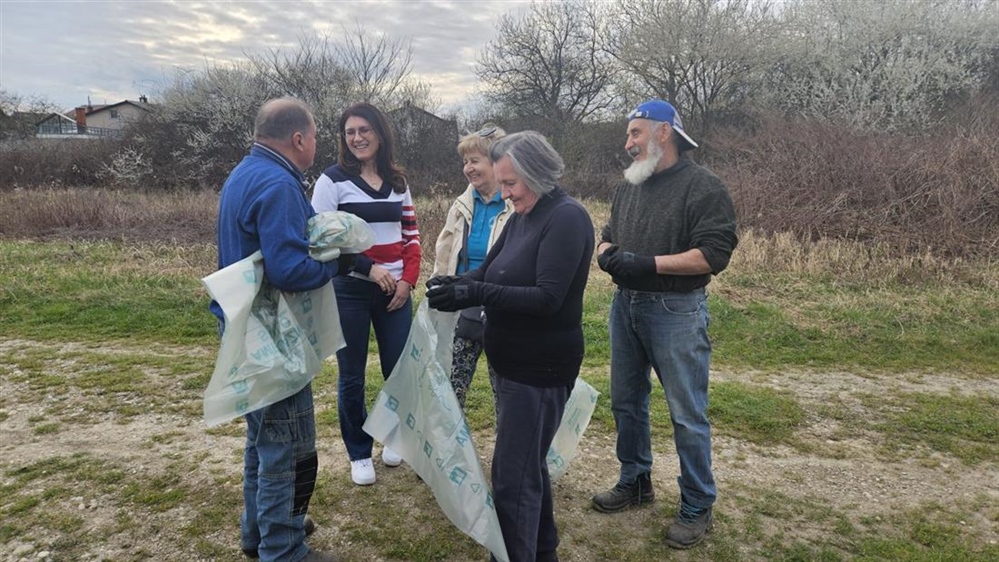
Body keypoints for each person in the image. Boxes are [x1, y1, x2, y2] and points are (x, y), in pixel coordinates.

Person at [426, 131, 594, 562]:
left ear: (537, 175)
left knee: (512, 479)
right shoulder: (523, 214)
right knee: (527, 470)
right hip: (511, 362)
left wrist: (473, 295)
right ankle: (542, 551)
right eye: (502, 184)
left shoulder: (566, 218)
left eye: (510, 184)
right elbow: (490, 269)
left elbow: (547, 298)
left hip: (539, 368)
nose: (504, 193)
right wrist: (457, 283)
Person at [591, 99, 738, 550]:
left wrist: (647, 263)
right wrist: (608, 254)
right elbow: (609, 234)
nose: (628, 142)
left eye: (635, 132)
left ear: (663, 134)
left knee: (686, 412)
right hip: (626, 305)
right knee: (626, 402)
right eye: (629, 134)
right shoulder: (629, 185)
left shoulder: (702, 186)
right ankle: (636, 480)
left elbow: (714, 254)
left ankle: (698, 502)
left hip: (676, 311)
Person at [212, 97, 342, 562]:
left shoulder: (244, 172)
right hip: (272, 335)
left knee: (263, 440)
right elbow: (289, 270)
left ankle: (258, 532)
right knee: (287, 448)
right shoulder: (280, 184)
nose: (316, 145)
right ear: (299, 139)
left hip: (245, 327)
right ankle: (284, 548)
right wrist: (335, 262)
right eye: (316, 137)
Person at [311, 102, 421, 486]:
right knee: (352, 376)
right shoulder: (331, 181)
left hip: (395, 294)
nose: (357, 138)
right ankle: (359, 451)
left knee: (398, 371)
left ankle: (393, 435)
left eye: (364, 130)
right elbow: (320, 240)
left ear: (380, 133)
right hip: (351, 291)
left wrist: (407, 280)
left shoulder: (399, 182)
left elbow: (411, 236)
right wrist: (366, 268)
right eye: (349, 132)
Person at [431, 124, 514, 410]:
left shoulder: (515, 204)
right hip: (463, 308)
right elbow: (445, 251)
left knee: (504, 389)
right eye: (465, 162)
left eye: (475, 160)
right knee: (452, 387)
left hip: (501, 310)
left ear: (497, 162)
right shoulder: (462, 204)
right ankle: (449, 449)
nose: (468, 168)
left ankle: (508, 451)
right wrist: (438, 286)